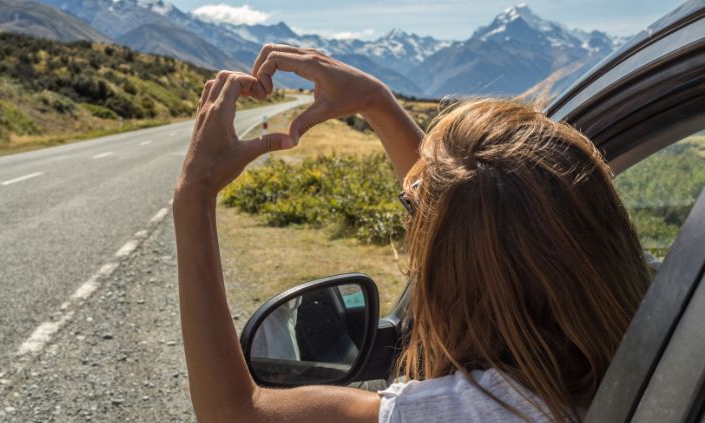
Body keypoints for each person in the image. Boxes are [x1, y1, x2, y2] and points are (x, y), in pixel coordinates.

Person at [172, 44, 651, 423]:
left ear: (459, 281)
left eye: (418, 211)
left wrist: (193, 196)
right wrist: (376, 103)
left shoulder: (474, 410)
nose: (415, 219)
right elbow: (473, 220)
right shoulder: (656, 318)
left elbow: (235, 412)